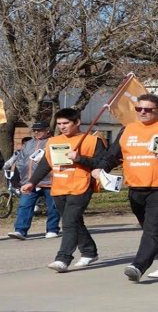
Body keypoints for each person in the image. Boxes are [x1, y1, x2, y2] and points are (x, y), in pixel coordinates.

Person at [80, 94, 158, 282]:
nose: (142, 112)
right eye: (139, 109)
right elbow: (112, 155)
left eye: (148, 109)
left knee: (152, 229)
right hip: (135, 187)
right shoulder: (128, 129)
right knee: (154, 228)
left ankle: (138, 266)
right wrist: (100, 169)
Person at [21, 109, 105, 273]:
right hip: (59, 186)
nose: (62, 127)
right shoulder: (53, 141)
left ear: (77, 122)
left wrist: (80, 159)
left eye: (66, 123)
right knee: (74, 221)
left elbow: (103, 162)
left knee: (69, 222)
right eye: (59, 124)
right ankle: (89, 252)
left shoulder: (92, 141)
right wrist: (32, 182)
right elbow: (46, 164)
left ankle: (63, 258)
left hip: (81, 186)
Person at [7, 122, 60, 240]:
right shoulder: (28, 144)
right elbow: (20, 161)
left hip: (50, 181)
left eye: (39, 130)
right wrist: (18, 177)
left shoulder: (54, 142)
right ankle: (20, 230)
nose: (36, 132)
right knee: (24, 205)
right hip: (29, 182)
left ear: (47, 130)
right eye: (34, 130)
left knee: (53, 206)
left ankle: (52, 229)